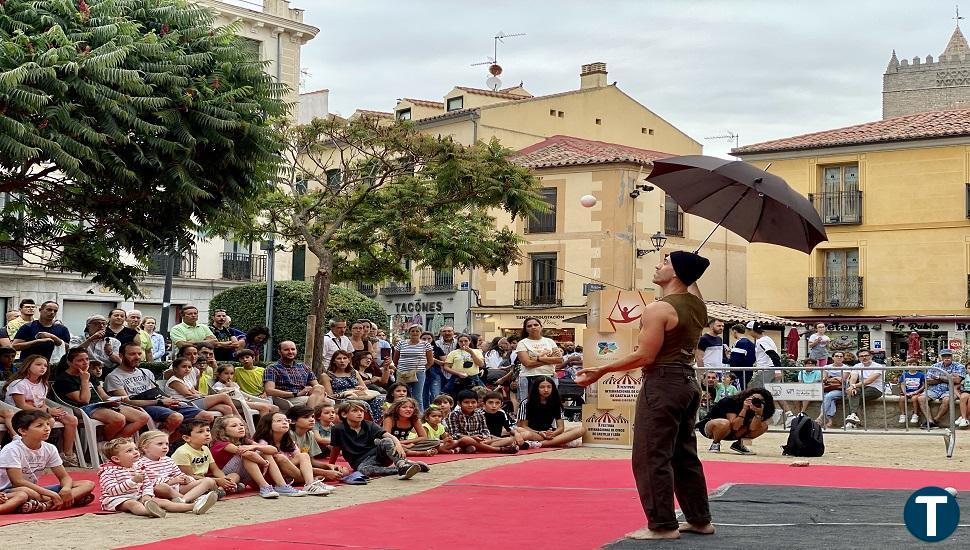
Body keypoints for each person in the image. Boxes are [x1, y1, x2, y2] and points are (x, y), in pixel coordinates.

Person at [576, 250, 715, 541]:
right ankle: (700, 520)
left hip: (663, 383)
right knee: (684, 454)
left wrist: (601, 371)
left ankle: (662, 526)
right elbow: (693, 284)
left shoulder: (658, 309)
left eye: (665, 262)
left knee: (651, 456)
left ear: (676, 272)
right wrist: (690, 265)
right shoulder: (699, 306)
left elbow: (645, 356)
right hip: (688, 382)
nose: (657, 265)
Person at [0, 410, 95, 513]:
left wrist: (66, 489)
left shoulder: (49, 448)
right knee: (25, 493)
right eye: (39, 425)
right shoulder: (12, 449)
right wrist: (52, 494)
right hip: (11, 490)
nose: (47, 429)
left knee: (88, 484)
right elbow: (18, 482)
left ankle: (45, 505)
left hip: (36, 490)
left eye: (48, 424)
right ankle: (63, 501)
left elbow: (64, 476)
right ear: (23, 431)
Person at [52, 347, 151, 441]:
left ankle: (114, 443)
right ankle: (108, 444)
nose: (85, 363)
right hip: (83, 408)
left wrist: (113, 400)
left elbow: (103, 396)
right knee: (119, 419)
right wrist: (84, 381)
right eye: (80, 360)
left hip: (101, 404)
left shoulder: (88, 374)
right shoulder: (64, 379)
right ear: (70, 362)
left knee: (142, 417)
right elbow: (84, 400)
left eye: (87, 359)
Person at [99, 437, 212, 517]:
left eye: (135, 449)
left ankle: (194, 506)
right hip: (118, 499)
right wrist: (132, 481)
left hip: (137, 495)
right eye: (129, 451)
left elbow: (147, 484)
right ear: (116, 459)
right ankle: (149, 511)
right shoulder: (108, 472)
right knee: (132, 504)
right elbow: (112, 491)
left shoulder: (138, 466)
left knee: (163, 502)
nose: (135, 452)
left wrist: (147, 495)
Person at [2, 354, 80, 466]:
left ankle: (67, 455)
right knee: (50, 421)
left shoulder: (43, 385)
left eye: (45, 365)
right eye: (38, 364)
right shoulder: (19, 383)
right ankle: (37, 452)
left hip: (37, 412)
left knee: (71, 419)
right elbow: (21, 405)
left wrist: (50, 410)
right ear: (28, 366)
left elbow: (41, 404)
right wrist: (47, 412)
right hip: (19, 413)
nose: (43, 367)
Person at [104, 342, 195, 436]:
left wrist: (168, 400)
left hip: (159, 404)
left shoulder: (146, 372)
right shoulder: (113, 377)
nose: (137, 357)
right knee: (176, 417)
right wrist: (159, 402)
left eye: (139, 354)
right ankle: (155, 442)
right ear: (121, 355)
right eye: (132, 354)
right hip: (140, 408)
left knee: (202, 417)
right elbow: (126, 402)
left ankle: (165, 442)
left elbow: (155, 392)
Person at [210, 415, 309, 497]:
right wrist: (264, 462)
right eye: (234, 426)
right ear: (223, 431)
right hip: (224, 475)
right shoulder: (221, 443)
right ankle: (264, 486)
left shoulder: (245, 441)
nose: (240, 427)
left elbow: (273, 450)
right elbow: (247, 453)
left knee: (265, 452)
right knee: (247, 455)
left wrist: (255, 446)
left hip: (242, 476)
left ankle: (282, 485)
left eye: (241, 425)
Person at [327, 401, 423, 480]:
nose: (360, 413)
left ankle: (401, 464)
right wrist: (331, 465)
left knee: (387, 441)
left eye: (361, 411)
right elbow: (336, 448)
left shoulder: (369, 424)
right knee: (363, 470)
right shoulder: (337, 429)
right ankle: (403, 468)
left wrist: (397, 443)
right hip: (360, 462)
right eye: (355, 411)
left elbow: (388, 436)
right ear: (344, 414)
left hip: (378, 455)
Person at [255, 411, 342, 487]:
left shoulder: (289, 441)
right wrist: (325, 472)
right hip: (271, 476)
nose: (284, 423)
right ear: (268, 425)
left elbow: (302, 463)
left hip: (290, 473)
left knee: (303, 456)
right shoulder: (263, 442)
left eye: (286, 420)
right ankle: (312, 481)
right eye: (279, 421)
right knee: (280, 458)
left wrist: (327, 468)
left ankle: (310, 482)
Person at [135, 430, 219, 505]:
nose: (165, 447)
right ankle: (194, 500)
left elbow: (178, 474)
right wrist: (171, 481)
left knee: (209, 481)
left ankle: (184, 500)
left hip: (177, 487)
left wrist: (186, 478)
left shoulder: (168, 460)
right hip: (160, 490)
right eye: (160, 444)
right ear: (145, 447)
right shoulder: (139, 463)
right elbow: (145, 485)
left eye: (167, 444)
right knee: (162, 487)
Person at [696, 387, 775, 454]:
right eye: (753, 399)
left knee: (764, 426)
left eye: (760, 400)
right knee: (724, 423)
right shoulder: (731, 401)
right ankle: (715, 443)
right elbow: (734, 426)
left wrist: (758, 413)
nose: (755, 402)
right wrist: (744, 409)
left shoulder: (762, 408)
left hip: (734, 432)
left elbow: (753, 429)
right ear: (747, 396)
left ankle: (740, 444)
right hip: (712, 429)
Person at [516, 376, 585, 449]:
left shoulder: (556, 403)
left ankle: (540, 444)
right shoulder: (526, 403)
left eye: (549, 387)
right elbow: (523, 426)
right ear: (536, 388)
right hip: (534, 433)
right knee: (525, 433)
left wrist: (552, 434)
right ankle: (556, 442)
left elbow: (561, 427)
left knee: (581, 430)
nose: (546, 390)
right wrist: (539, 433)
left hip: (550, 433)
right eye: (542, 387)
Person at [171, 419, 239, 494]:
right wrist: (217, 480)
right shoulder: (182, 452)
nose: (207, 434)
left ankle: (222, 489)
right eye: (200, 431)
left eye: (208, 430)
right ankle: (227, 488)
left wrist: (224, 479)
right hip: (191, 482)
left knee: (234, 475)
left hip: (206, 479)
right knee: (208, 482)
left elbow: (215, 470)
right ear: (187, 438)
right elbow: (189, 476)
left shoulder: (205, 448)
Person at [162, 357, 239, 420]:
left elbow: (194, 391)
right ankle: (237, 416)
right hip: (185, 404)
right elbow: (188, 394)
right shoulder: (174, 380)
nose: (187, 369)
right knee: (223, 396)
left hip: (194, 402)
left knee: (227, 409)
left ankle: (222, 433)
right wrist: (205, 396)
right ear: (175, 369)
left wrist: (203, 395)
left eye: (189, 367)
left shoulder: (186, 379)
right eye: (184, 367)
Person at [287, 404, 348, 484]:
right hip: (289, 468)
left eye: (312, 417)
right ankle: (311, 480)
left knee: (343, 471)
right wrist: (324, 472)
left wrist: (328, 466)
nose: (312, 420)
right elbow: (294, 465)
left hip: (303, 468)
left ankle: (314, 478)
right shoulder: (289, 435)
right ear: (293, 421)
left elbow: (311, 461)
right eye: (306, 417)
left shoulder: (310, 434)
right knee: (329, 474)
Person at [262, 340, 330, 409]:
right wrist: (296, 394)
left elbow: (316, 385)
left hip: (305, 396)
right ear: (279, 352)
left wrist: (320, 392)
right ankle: (310, 415)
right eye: (286, 350)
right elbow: (269, 391)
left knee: (321, 390)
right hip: (285, 399)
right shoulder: (272, 368)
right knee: (324, 402)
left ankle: (310, 414)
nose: (290, 352)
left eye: (293, 349)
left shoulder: (304, 367)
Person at [447, 389, 519, 454]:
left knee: (509, 439)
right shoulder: (453, 415)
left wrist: (484, 438)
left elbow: (485, 431)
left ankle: (480, 447)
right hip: (464, 440)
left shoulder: (480, 414)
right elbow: (454, 434)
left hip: (480, 441)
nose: (470, 405)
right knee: (465, 440)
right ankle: (498, 449)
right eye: (466, 402)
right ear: (459, 404)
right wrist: (472, 437)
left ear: (477, 403)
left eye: (473, 402)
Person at [747, 321, 791, 425]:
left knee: (757, 394)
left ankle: (772, 414)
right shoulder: (767, 339)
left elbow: (773, 355)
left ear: (752, 331)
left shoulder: (761, 341)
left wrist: (778, 370)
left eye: (748, 330)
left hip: (766, 370)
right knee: (776, 394)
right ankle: (789, 415)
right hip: (771, 369)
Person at [320, 350, 385, 421]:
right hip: (341, 399)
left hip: (358, 395)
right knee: (362, 404)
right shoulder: (327, 375)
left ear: (348, 360)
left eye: (345, 358)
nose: (342, 361)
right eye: (339, 358)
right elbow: (330, 396)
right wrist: (347, 392)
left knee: (381, 398)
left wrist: (361, 388)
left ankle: (376, 423)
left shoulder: (354, 372)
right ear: (334, 361)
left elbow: (365, 389)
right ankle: (370, 425)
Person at [515, 318, 562, 403]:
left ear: (541, 327)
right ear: (526, 329)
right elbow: (527, 363)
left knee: (551, 404)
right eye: (529, 326)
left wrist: (538, 358)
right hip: (529, 377)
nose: (533, 327)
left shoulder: (550, 341)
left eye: (536, 325)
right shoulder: (522, 343)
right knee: (529, 405)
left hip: (549, 376)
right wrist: (549, 359)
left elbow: (559, 360)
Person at [916, 348, 965, 429]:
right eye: (944, 356)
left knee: (947, 400)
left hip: (950, 389)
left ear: (952, 356)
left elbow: (957, 380)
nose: (947, 358)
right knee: (921, 398)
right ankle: (930, 421)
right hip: (934, 389)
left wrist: (938, 377)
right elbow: (927, 381)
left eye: (948, 356)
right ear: (941, 357)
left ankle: (935, 420)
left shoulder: (959, 366)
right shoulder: (935, 366)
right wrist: (948, 378)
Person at [211, 364, 278, 417]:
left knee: (275, 408)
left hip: (243, 401)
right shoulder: (218, 385)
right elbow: (222, 396)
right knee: (264, 408)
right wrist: (230, 387)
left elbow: (239, 394)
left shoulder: (233, 384)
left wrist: (246, 398)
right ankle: (263, 430)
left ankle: (273, 427)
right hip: (237, 403)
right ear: (219, 375)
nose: (229, 376)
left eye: (231, 374)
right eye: (226, 373)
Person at [843, 349, 886, 429]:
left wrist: (853, 386)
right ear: (858, 358)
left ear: (871, 356)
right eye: (861, 356)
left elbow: (869, 381)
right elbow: (853, 378)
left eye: (866, 355)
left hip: (876, 389)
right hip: (861, 387)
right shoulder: (857, 366)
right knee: (854, 394)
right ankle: (853, 418)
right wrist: (852, 386)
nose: (864, 358)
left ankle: (851, 420)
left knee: (854, 397)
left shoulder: (878, 366)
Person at [393, 326, 433, 410]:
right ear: (409, 332)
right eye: (412, 331)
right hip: (402, 373)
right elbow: (395, 359)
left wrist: (422, 369)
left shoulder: (426, 344)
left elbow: (430, 361)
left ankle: (419, 418)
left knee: (417, 397)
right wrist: (401, 368)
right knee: (400, 396)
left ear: (420, 333)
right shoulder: (401, 343)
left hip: (418, 373)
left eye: (417, 331)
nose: (415, 333)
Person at [818, 351, 852, 429]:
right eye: (837, 356)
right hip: (828, 389)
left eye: (841, 356)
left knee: (828, 396)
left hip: (841, 390)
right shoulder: (826, 367)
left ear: (843, 358)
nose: (839, 358)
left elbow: (843, 379)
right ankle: (830, 421)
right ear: (833, 357)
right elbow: (824, 378)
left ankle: (821, 416)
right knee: (829, 398)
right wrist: (836, 378)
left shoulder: (846, 368)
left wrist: (831, 378)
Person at [426, 326, 457, 410]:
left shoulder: (458, 343)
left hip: (454, 372)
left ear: (453, 332)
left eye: (449, 331)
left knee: (453, 395)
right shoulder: (437, 343)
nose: (447, 333)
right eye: (444, 331)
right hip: (439, 373)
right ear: (441, 333)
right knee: (438, 395)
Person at [727, 323, 756, 390]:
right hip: (749, 371)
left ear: (735, 331)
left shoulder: (739, 343)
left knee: (739, 391)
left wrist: (728, 358)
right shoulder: (751, 343)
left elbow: (736, 360)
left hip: (739, 372)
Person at [900, 361, 926, 425]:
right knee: (902, 398)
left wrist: (916, 391)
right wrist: (905, 392)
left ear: (917, 366)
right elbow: (902, 384)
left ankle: (915, 414)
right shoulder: (904, 374)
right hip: (907, 392)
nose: (912, 366)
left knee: (914, 399)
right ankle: (903, 415)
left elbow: (923, 385)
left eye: (914, 364)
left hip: (917, 392)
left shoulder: (921, 375)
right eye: (910, 364)